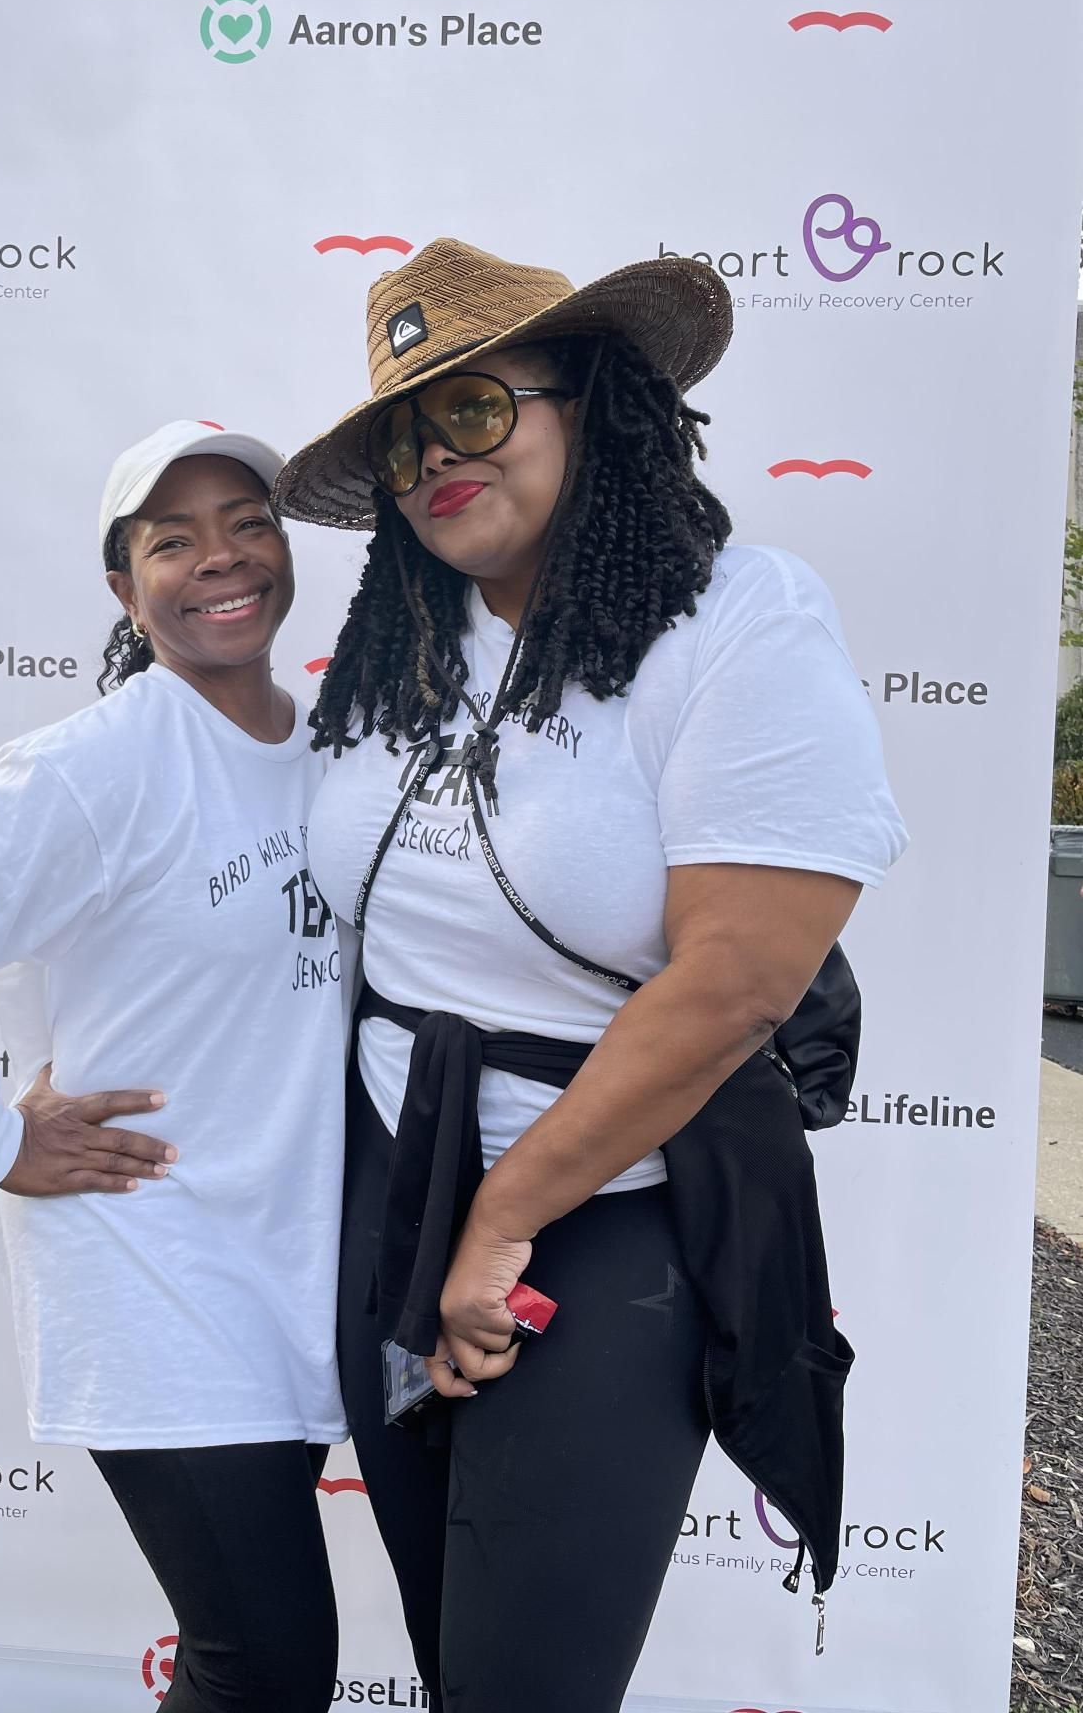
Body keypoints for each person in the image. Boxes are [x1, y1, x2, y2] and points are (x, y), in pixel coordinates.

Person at [272, 239, 909, 1713]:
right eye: (406, 439)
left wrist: (497, 1225)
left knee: (525, 1684)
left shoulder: (739, 619)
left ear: (592, 404)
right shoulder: (400, 642)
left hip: (607, 1218)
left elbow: (738, 978)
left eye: (479, 410)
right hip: (388, 1183)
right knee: (446, 1637)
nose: (438, 456)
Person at [0, 422, 349, 1713]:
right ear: (125, 589)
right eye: (173, 539)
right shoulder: (94, 769)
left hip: (287, 1260)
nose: (221, 558)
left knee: (259, 1664)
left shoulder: (335, 751)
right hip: (151, 1266)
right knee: (261, 1666)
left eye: (248, 522)